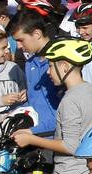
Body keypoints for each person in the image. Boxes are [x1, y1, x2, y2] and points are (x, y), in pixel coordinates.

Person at [10, 38, 92, 174]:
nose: (49, 72)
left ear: (64, 66)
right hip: (91, 173)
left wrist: (31, 139)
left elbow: (71, 146)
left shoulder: (70, 99)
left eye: (51, 66)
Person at [9, 10, 63, 139]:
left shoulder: (61, 61)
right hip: (35, 136)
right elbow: (35, 103)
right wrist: (13, 115)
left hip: (58, 138)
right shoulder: (30, 64)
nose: (19, 46)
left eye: (21, 40)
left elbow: (64, 111)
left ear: (37, 34)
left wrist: (32, 131)